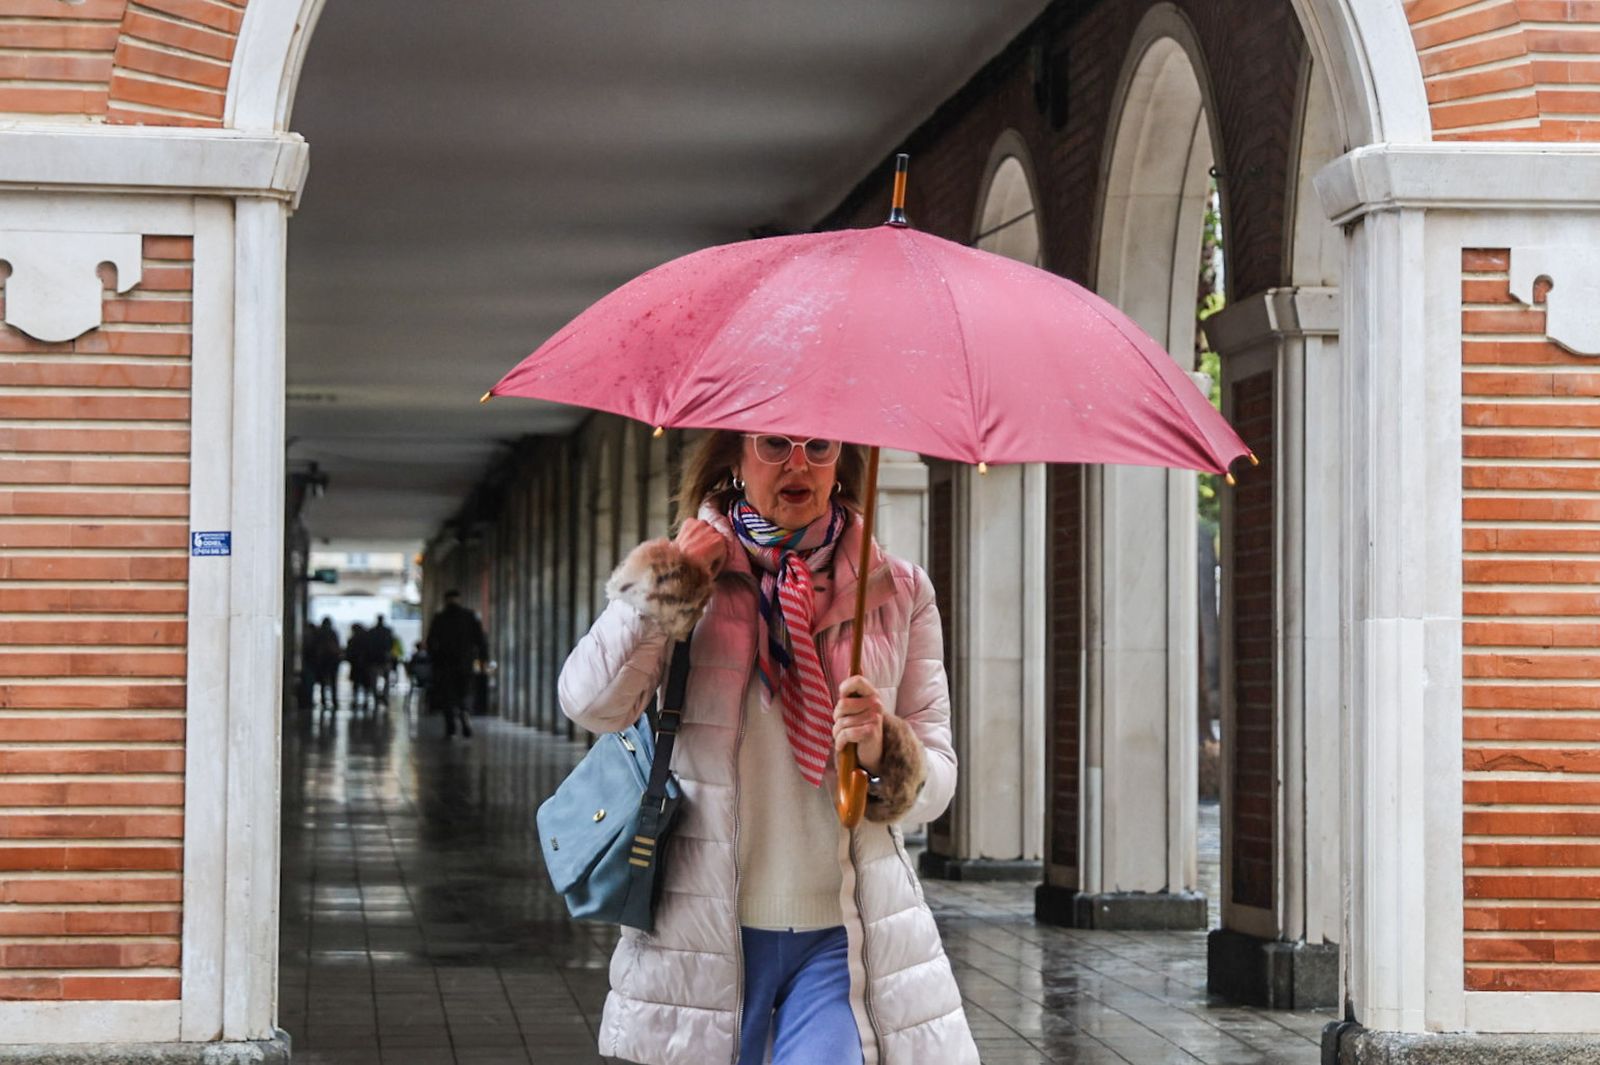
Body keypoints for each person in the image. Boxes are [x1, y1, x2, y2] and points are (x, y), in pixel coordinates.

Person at [558, 431, 978, 1065]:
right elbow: (591, 703)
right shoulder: (688, 575)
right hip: (704, 933)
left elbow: (937, 779)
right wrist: (672, 582)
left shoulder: (897, 592)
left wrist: (882, 747)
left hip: (845, 941)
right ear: (734, 456)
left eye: (819, 445)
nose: (799, 464)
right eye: (775, 444)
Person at [426, 589, 487, 739]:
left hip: (445, 664)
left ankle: (451, 726)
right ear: (459, 599)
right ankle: (464, 714)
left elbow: (431, 641)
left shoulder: (440, 618)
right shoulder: (469, 617)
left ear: (445, 600)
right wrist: (482, 659)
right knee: (464, 692)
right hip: (465, 663)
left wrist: (435, 659)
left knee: (448, 695)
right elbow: (480, 640)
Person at [311, 618, 341, 711]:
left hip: (323, 661)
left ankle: (324, 700)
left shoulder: (320, 634)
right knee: (333, 682)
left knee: (323, 682)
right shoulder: (332, 633)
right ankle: (333, 700)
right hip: (331, 661)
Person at [368, 614, 397, 706]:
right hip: (385, 658)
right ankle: (384, 696)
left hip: (374, 658)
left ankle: (376, 696)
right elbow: (391, 643)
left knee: (374, 680)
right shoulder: (387, 631)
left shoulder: (372, 631)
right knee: (387, 678)